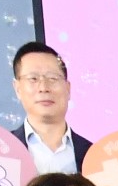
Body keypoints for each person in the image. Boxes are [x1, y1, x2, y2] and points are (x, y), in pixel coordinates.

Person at [9, 41, 92, 175]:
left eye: (53, 78)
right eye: (33, 79)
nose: (44, 88)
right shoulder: (3, 152)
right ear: (17, 88)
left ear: (68, 88)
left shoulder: (92, 154)